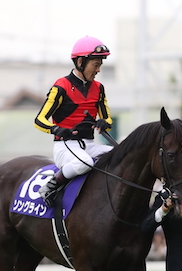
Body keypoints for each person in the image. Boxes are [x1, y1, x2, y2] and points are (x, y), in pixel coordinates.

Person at [34, 35, 113, 207]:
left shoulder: (99, 89)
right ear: (80, 63)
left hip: (90, 145)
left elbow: (107, 117)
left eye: (100, 65)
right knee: (85, 162)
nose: (98, 70)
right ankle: (49, 187)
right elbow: (39, 119)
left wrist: (104, 122)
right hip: (65, 146)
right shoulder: (61, 86)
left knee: (121, 155)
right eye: (96, 65)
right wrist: (55, 129)